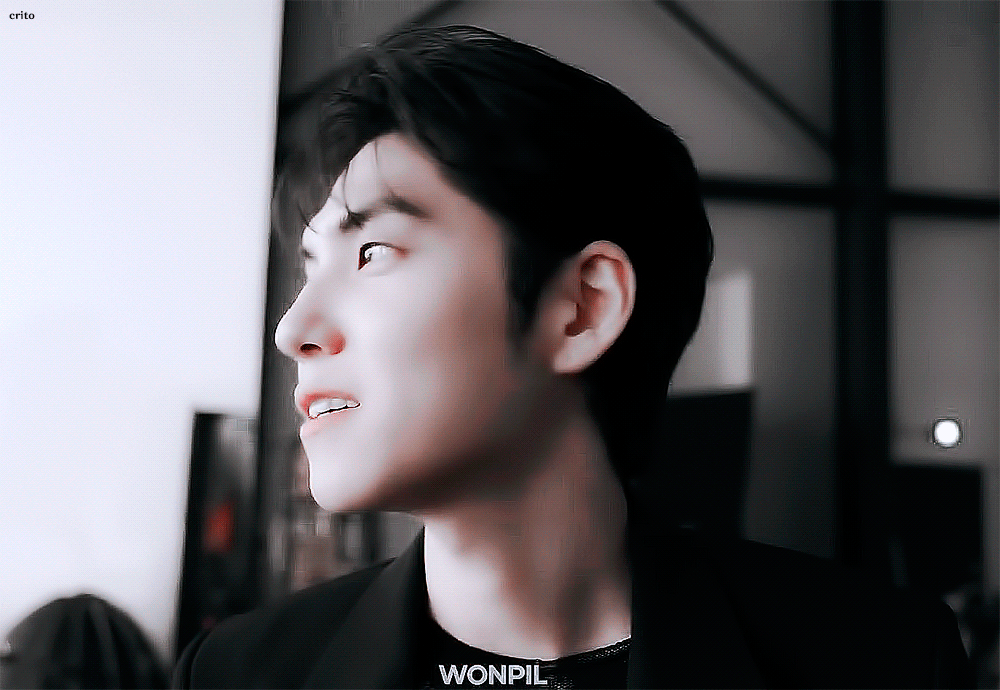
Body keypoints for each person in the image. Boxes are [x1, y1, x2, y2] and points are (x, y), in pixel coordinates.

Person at [173, 25, 971, 689]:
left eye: (373, 253)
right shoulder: (239, 675)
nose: (293, 329)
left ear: (584, 307)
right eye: (310, 268)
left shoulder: (882, 664)